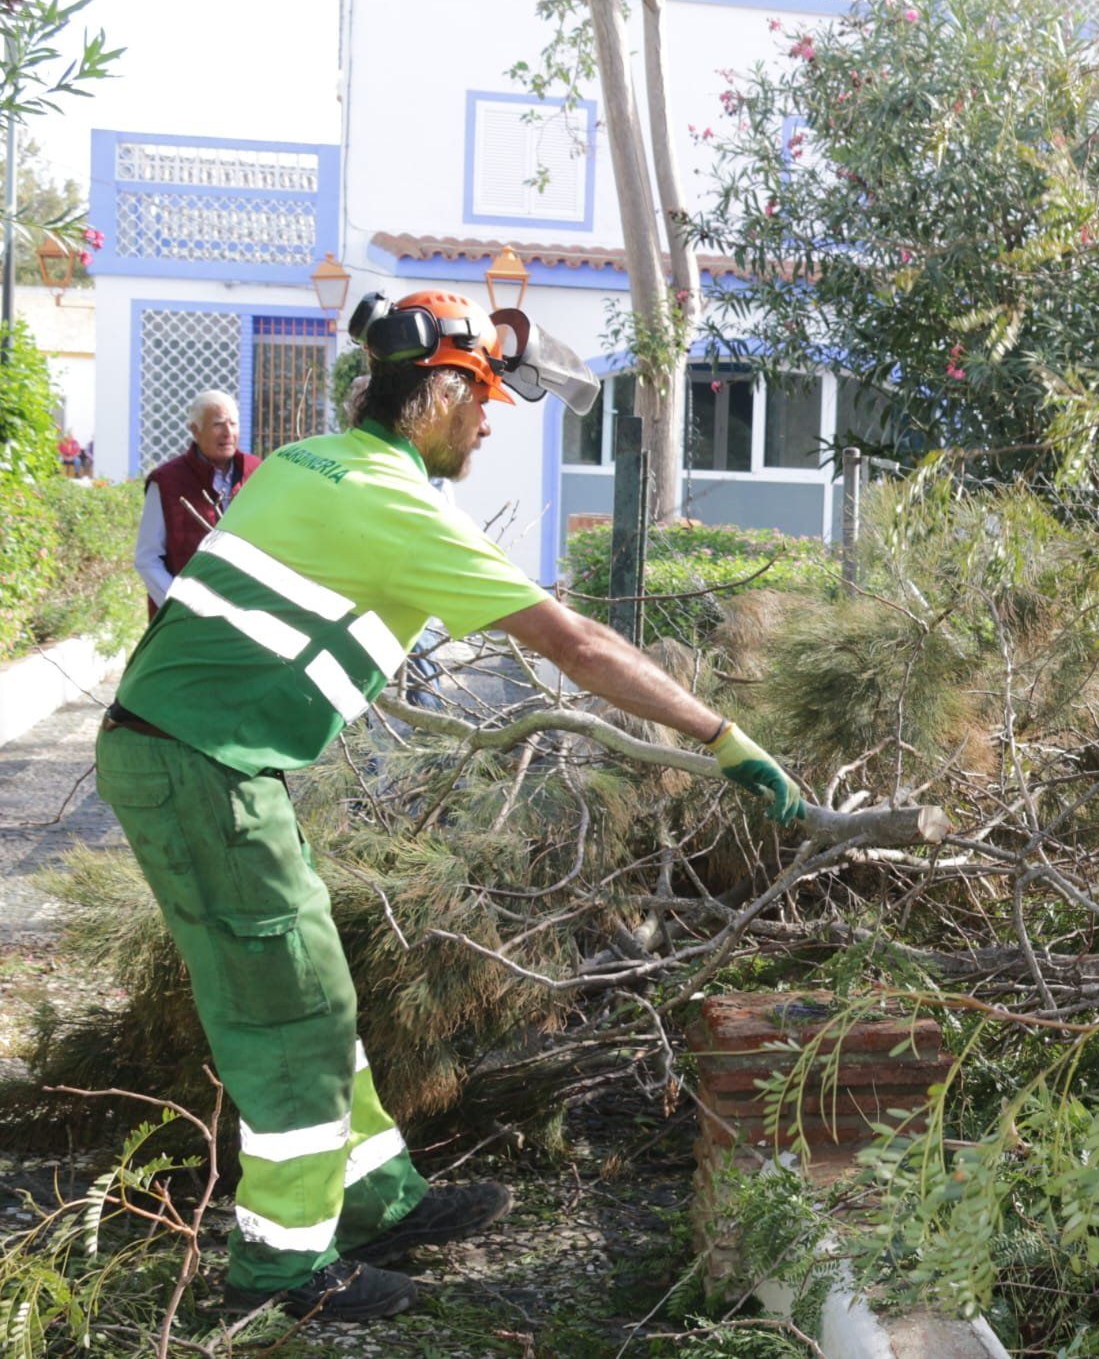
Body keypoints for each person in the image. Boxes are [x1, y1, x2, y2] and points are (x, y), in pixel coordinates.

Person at [94, 290, 805, 1323]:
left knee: (316, 988)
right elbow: (576, 645)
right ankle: (281, 1271)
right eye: (479, 399)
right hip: (200, 767)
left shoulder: (308, 461)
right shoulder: (393, 503)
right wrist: (720, 738)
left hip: (205, 757)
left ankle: (380, 1199)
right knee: (288, 1018)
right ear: (432, 394)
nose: (488, 421)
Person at [134, 390, 263, 617]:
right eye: (218, 425)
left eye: (233, 424)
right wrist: (181, 604)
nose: (228, 433)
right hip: (184, 617)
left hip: (247, 611)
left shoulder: (257, 472)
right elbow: (147, 558)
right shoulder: (166, 482)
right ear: (195, 430)